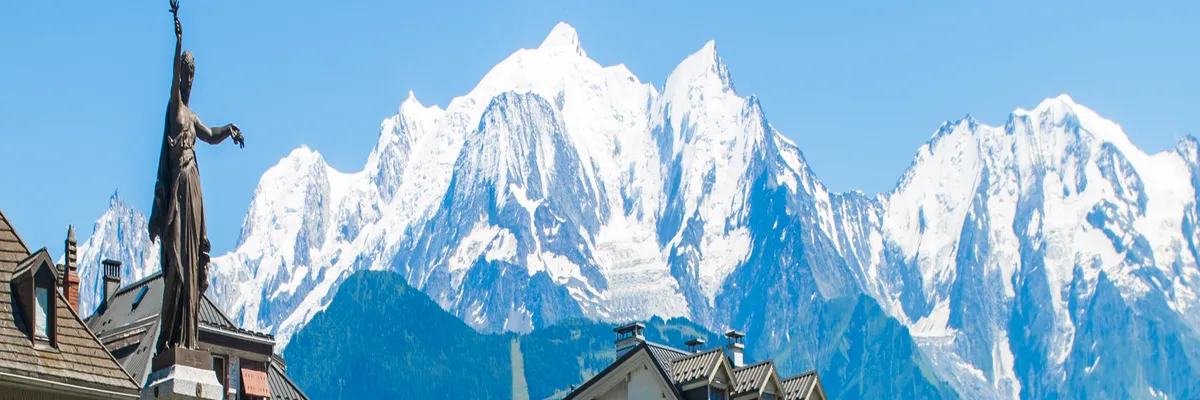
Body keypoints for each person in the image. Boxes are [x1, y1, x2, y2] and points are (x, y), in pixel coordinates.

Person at [148, 0, 245, 354]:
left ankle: (187, 337)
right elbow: (173, 72)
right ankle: (170, 338)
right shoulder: (175, 108)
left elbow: (211, 133)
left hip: (194, 189)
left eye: (192, 74)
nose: (188, 78)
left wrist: (229, 129)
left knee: (191, 263)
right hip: (178, 193)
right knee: (177, 262)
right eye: (185, 73)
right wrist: (178, 41)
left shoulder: (192, 116)